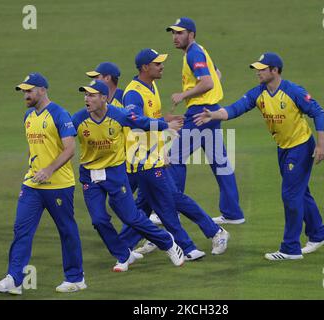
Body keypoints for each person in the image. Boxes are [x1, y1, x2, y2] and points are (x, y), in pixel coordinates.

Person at [194, 53, 324, 260]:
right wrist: (214, 115)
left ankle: (290, 249)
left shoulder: (292, 91)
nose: (257, 72)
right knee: (301, 192)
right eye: (257, 68)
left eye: (262, 68)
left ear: (274, 70)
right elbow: (236, 109)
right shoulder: (259, 93)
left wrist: (321, 145)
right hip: (283, 147)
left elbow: (318, 112)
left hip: (301, 147)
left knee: (290, 195)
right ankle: (318, 233)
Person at [118, 49, 229, 261]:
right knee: (155, 204)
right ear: (145, 68)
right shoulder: (133, 93)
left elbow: (152, 116)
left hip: (151, 159)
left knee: (160, 203)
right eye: (157, 64)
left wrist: (167, 121)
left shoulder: (151, 86)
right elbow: (134, 120)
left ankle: (123, 249)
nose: (162, 66)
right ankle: (123, 249)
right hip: (140, 159)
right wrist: (164, 125)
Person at [0, 73, 86, 294]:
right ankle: (14, 279)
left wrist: (49, 169)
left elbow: (70, 149)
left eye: (29, 90)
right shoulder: (28, 117)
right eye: (24, 91)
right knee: (21, 229)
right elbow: (35, 149)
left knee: (67, 230)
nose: (25, 95)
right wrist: (35, 169)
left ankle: (76, 278)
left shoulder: (60, 114)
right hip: (32, 185)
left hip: (59, 185)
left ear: (42, 89)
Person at [71, 80, 185, 271]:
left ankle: (167, 242)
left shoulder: (119, 115)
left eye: (91, 95)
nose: (86, 99)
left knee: (130, 217)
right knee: (99, 220)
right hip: (90, 176)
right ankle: (124, 254)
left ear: (104, 98)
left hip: (114, 173)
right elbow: (62, 133)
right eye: (85, 95)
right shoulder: (79, 119)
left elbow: (142, 122)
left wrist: (166, 125)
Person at [166, 17, 245, 225]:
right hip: (211, 110)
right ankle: (233, 213)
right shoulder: (199, 51)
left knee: (174, 157)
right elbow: (217, 73)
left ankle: (171, 208)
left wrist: (185, 95)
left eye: (180, 33)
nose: (175, 37)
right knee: (220, 162)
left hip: (201, 114)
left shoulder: (193, 53)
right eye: (173, 33)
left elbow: (209, 82)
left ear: (191, 34)